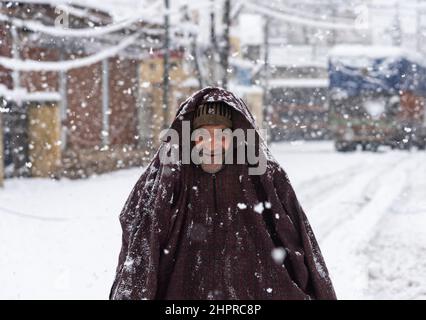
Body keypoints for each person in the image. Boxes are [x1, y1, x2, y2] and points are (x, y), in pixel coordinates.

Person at [109, 86, 337, 300]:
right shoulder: (167, 178)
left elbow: (300, 240)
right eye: (202, 137)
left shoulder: (265, 177)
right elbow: (138, 240)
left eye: (221, 137)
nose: (211, 145)